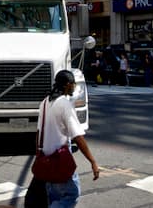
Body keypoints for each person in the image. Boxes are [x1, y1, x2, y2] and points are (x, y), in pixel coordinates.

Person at [36, 70, 100, 207]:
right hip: (59, 161)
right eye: (73, 84)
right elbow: (77, 136)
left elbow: (38, 133)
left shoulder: (44, 103)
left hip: (46, 160)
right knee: (72, 194)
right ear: (67, 85)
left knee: (54, 198)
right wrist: (93, 161)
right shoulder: (64, 104)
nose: (74, 87)